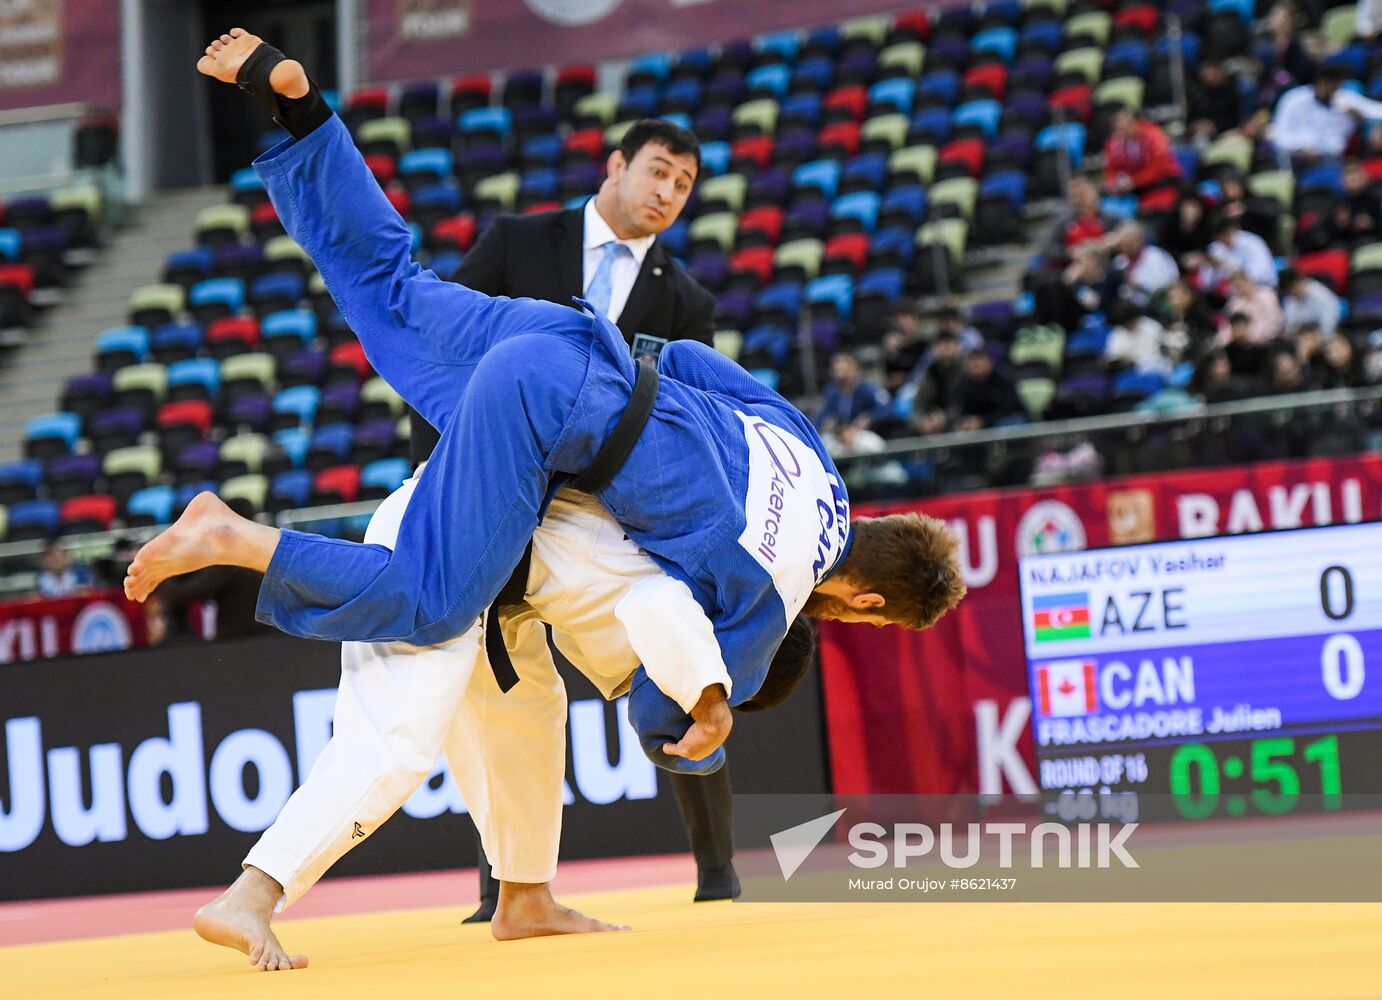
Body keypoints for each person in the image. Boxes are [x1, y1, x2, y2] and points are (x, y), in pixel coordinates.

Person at [129, 29, 962, 778]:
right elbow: (653, 708)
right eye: (876, 626)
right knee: (429, 599)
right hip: (552, 416)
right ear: (869, 602)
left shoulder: (814, 453)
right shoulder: (771, 608)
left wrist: (598, 375)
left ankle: (304, 111)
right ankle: (232, 537)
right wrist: (709, 718)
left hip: (576, 340)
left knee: (388, 290)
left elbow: (695, 360)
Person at [191, 467, 826, 969]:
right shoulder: (685, 600)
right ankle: (251, 895)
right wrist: (711, 704)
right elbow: (652, 612)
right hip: (445, 544)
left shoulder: (717, 563)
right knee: (396, 742)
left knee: (530, 710)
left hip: (491, 572)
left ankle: (525, 897)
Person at [415, 114, 729, 918]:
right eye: (658, 171)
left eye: (684, 185)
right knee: (492, 680)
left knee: (679, 663)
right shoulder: (518, 242)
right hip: (497, 487)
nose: (668, 193)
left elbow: (690, 415)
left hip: (612, 513)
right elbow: (440, 349)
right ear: (617, 164)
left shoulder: (687, 301)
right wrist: (450, 472)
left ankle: (718, 873)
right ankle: (502, 886)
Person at [1269, 65, 1382, 165]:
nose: (1330, 90)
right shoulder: (1294, 99)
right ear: (1318, 83)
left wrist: (1359, 116)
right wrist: (1299, 149)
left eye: (1334, 87)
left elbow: (1374, 110)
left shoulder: (1343, 100)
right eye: (1327, 85)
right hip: (1294, 157)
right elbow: (1279, 134)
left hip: (1330, 159)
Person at [813, 352, 892, 455]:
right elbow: (819, 418)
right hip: (839, 436)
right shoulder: (831, 392)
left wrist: (868, 417)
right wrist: (838, 431)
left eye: (844, 371)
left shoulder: (868, 388)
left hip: (865, 433)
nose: (840, 376)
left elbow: (888, 408)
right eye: (837, 371)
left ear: (855, 370)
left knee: (874, 445)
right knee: (821, 447)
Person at [1039, 175, 1117, 266]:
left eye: (1082, 193)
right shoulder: (1063, 223)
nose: (1079, 200)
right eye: (1074, 195)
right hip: (1075, 268)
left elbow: (1129, 233)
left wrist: (1108, 243)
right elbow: (1048, 250)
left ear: (1094, 192)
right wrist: (1071, 252)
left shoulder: (1109, 219)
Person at [1102, 108, 1181, 198]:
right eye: (1118, 128)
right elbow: (1111, 167)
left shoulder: (1153, 135)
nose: (1121, 131)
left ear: (1134, 121)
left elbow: (1159, 166)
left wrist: (1135, 181)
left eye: (1126, 125)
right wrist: (1112, 182)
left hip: (1162, 181)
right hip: (1135, 185)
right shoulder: (1115, 141)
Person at [1108, 222, 1179, 307]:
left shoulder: (1156, 257)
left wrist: (1139, 285)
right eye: (1123, 244)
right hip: (1128, 309)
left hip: (1157, 307)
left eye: (1130, 243)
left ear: (1140, 240)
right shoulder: (1119, 261)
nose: (1126, 248)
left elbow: (1165, 286)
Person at [1203, 211, 1278, 289]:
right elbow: (1206, 283)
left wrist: (1229, 266)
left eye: (1223, 238)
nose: (1222, 242)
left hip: (1262, 287)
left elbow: (1260, 274)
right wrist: (1214, 268)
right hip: (1234, 292)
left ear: (1231, 231)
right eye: (1219, 239)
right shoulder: (1217, 247)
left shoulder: (1253, 243)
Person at [952, 349, 1022, 430]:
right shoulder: (963, 385)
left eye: (979, 359)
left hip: (1003, 420)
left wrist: (983, 421)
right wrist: (967, 421)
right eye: (972, 361)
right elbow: (961, 409)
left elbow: (1009, 408)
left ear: (989, 363)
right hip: (975, 424)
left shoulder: (1003, 380)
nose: (975, 364)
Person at [1279, 267, 1341, 336]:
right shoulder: (1290, 300)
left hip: (1320, 338)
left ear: (1298, 283)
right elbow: (1289, 327)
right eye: (1289, 292)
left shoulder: (1323, 297)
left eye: (1292, 290)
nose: (1292, 294)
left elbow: (1328, 329)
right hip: (1300, 338)